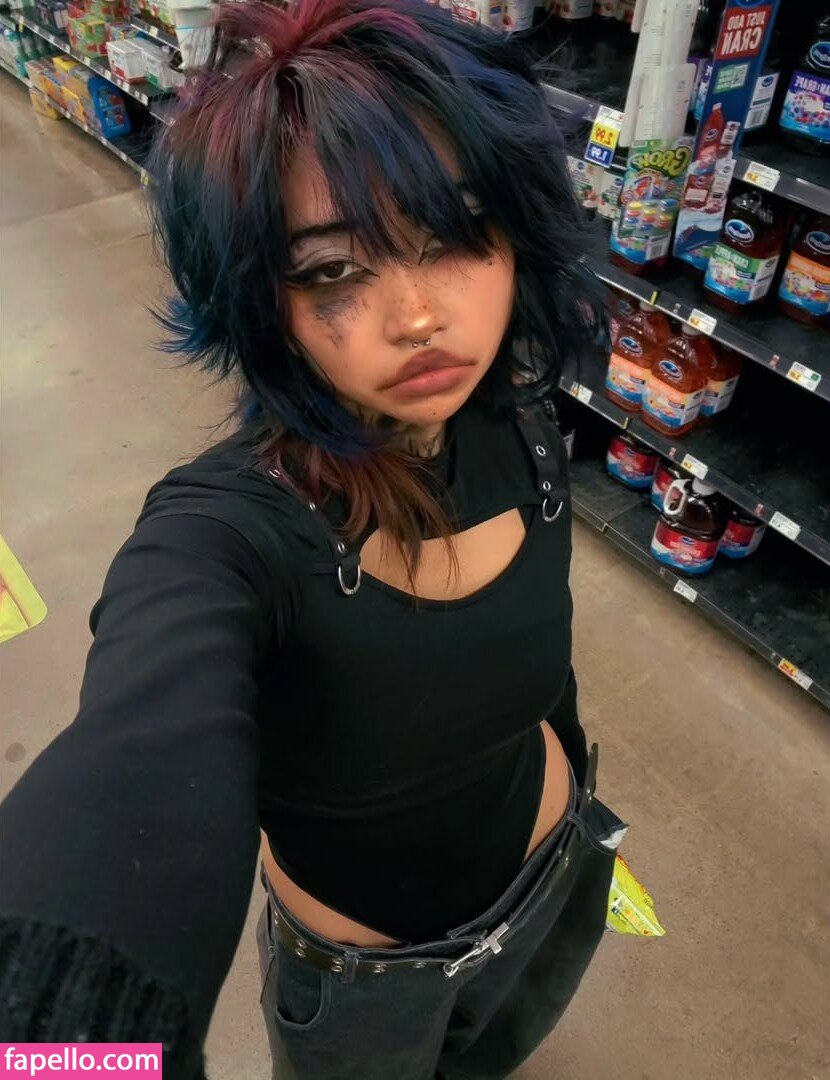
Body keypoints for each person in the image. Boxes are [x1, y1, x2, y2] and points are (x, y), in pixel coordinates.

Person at [0, 1, 623, 1077]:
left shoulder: (519, 422)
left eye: (454, 234)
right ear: (262, 305)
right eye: (333, 270)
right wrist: (62, 1049)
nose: (418, 316)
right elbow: (130, 777)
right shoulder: (223, 539)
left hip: (554, 882)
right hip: (369, 984)